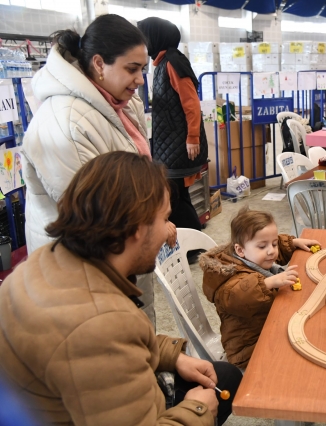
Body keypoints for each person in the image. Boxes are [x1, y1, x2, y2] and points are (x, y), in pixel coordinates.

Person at [0, 152, 243, 425]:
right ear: (138, 228)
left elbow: (113, 346)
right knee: (220, 390)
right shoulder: (101, 324)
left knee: (225, 375)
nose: (167, 232)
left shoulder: (48, 261)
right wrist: (197, 411)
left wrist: (172, 356)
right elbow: (106, 338)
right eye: (164, 219)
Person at [21, 14, 174, 325]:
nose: (141, 80)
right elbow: (98, 219)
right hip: (88, 268)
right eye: (132, 69)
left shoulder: (119, 101)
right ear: (99, 64)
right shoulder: (66, 123)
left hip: (125, 250)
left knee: (138, 330)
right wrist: (154, 224)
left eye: (143, 69)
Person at [199, 208, 319, 369]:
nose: (271, 251)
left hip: (266, 326)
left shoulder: (252, 254)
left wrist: (292, 243)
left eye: (275, 243)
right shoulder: (227, 276)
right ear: (240, 250)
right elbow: (236, 296)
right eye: (262, 246)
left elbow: (268, 245)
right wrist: (268, 283)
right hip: (248, 348)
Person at [138, 18, 208, 234]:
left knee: (173, 195)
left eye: (144, 37)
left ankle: (193, 244)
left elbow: (191, 103)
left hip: (178, 142)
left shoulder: (173, 63)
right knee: (177, 194)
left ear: (155, 37)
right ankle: (190, 241)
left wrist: (193, 138)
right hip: (168, 141)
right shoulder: (161, 63)